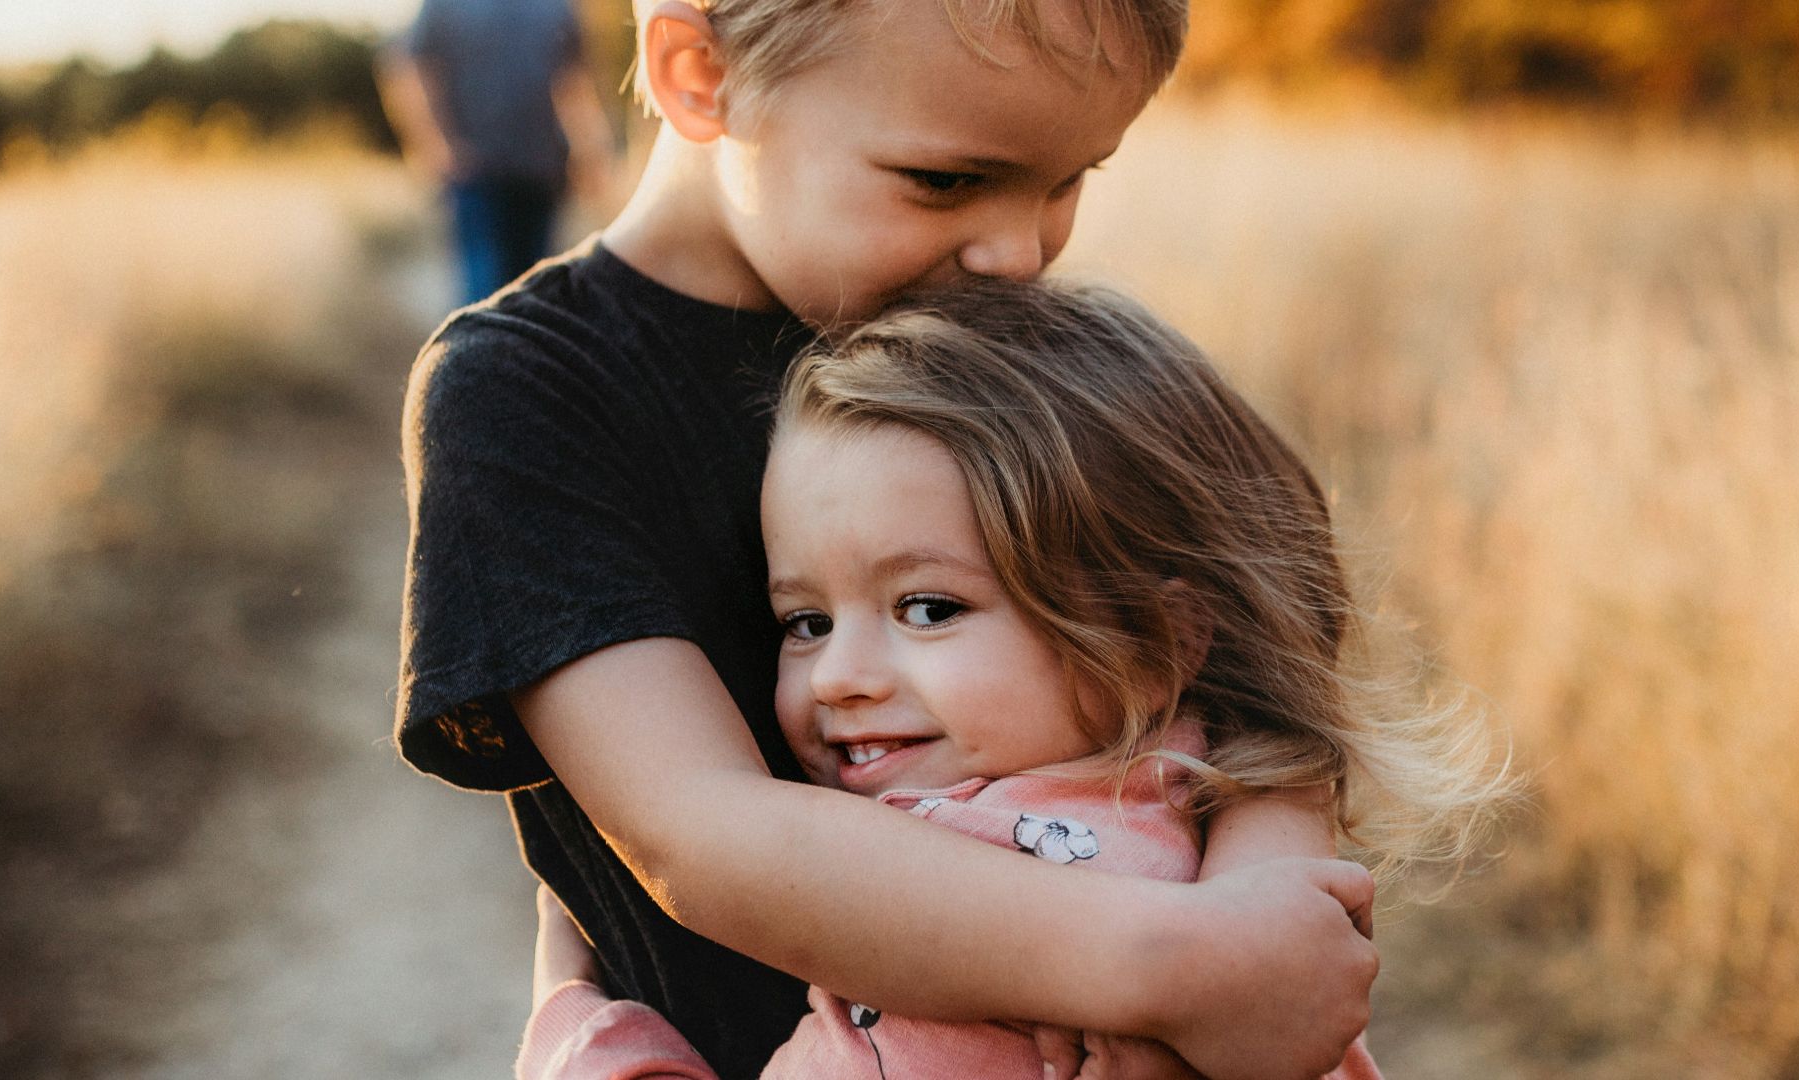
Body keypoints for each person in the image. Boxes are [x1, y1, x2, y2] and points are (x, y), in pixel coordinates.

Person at [396, 2, 1384, 1078]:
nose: (1018, 254)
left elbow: (1270, 673)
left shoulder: (1000, 340)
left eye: (1068, 180)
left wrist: (1248, 925)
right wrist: (1174, 968)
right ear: (697, 73)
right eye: (948, 182)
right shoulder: (529, 395)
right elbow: (703, 832)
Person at [511, 280, 1508, 1079]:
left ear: (1160, 639)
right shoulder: (1221, 835)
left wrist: (581, 1017)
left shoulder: (969, 896)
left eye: (929, 609)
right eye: (805, 622)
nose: (842, 677)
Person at [376, 0, 614, 304]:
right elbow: (407, 67)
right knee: (485, 296)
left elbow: (574, 80)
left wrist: (590, 152)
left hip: (541, 171)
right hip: (475, 175)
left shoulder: (556, 6)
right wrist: (433, 146)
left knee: (535, 294)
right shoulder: (444, 6)